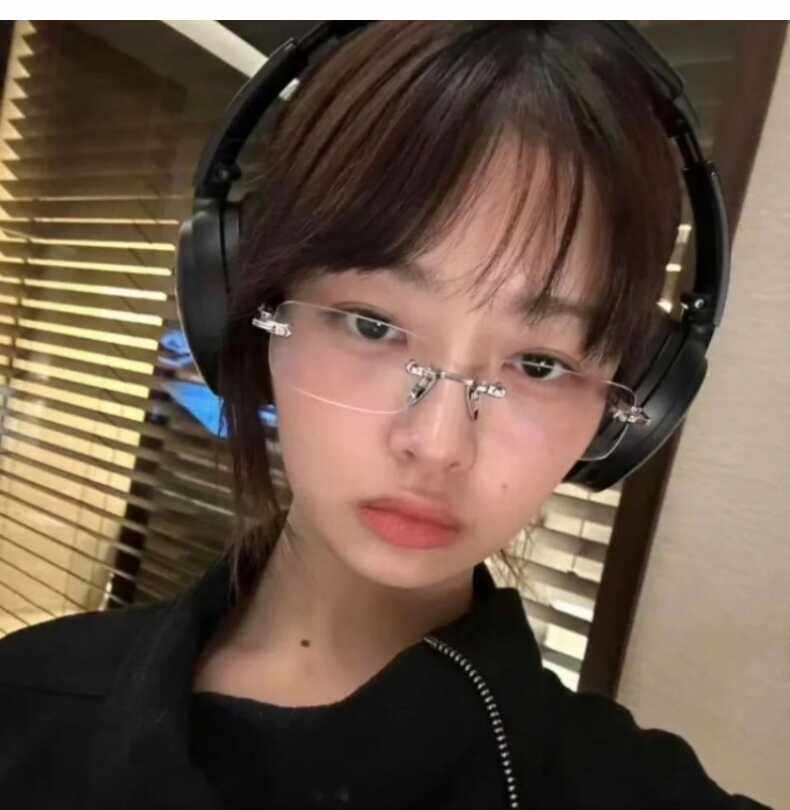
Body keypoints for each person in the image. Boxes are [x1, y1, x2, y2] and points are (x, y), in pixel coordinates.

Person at [0, 21, 772, 810]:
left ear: (628, 404)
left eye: (539, 365)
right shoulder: (22, 705)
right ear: (244, 306)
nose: (437, 443)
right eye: (372, 325)